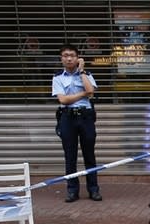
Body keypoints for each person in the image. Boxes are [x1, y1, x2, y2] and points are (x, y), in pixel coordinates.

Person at [52, 44, 101, 202]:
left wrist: (82, 71)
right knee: (70, 156)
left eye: (72, 55)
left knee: (89, 156)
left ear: (78, 58)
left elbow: (91, 92)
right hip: (67, 118)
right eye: (65, 55)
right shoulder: (58, 77)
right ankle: (72, 190)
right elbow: (63, 100)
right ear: (61, 59)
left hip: (86, 118)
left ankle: (93, 189)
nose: (69, 58)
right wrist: (83, 94)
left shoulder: (86, 74)